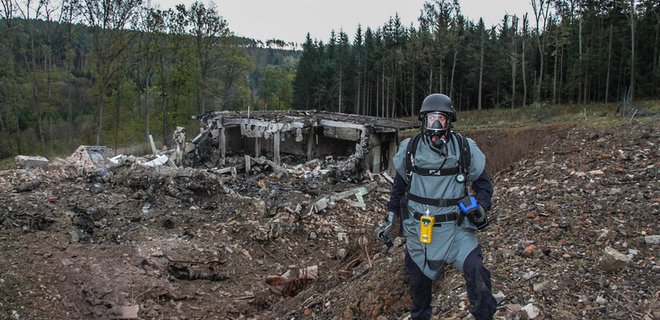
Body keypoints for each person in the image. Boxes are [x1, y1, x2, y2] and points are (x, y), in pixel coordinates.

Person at [374, 93, 497, 320]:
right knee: (418, 285)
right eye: (431, 119)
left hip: (456, 231)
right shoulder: (410, 150)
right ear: (423, 121)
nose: (436, 124)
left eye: (441, 119)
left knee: (476, 270)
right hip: (421, 232)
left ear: (449, 122)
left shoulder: (464, 149)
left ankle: (485, 315)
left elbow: (484, 186)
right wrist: (390, 218)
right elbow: (398, 190)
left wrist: (481, 206)